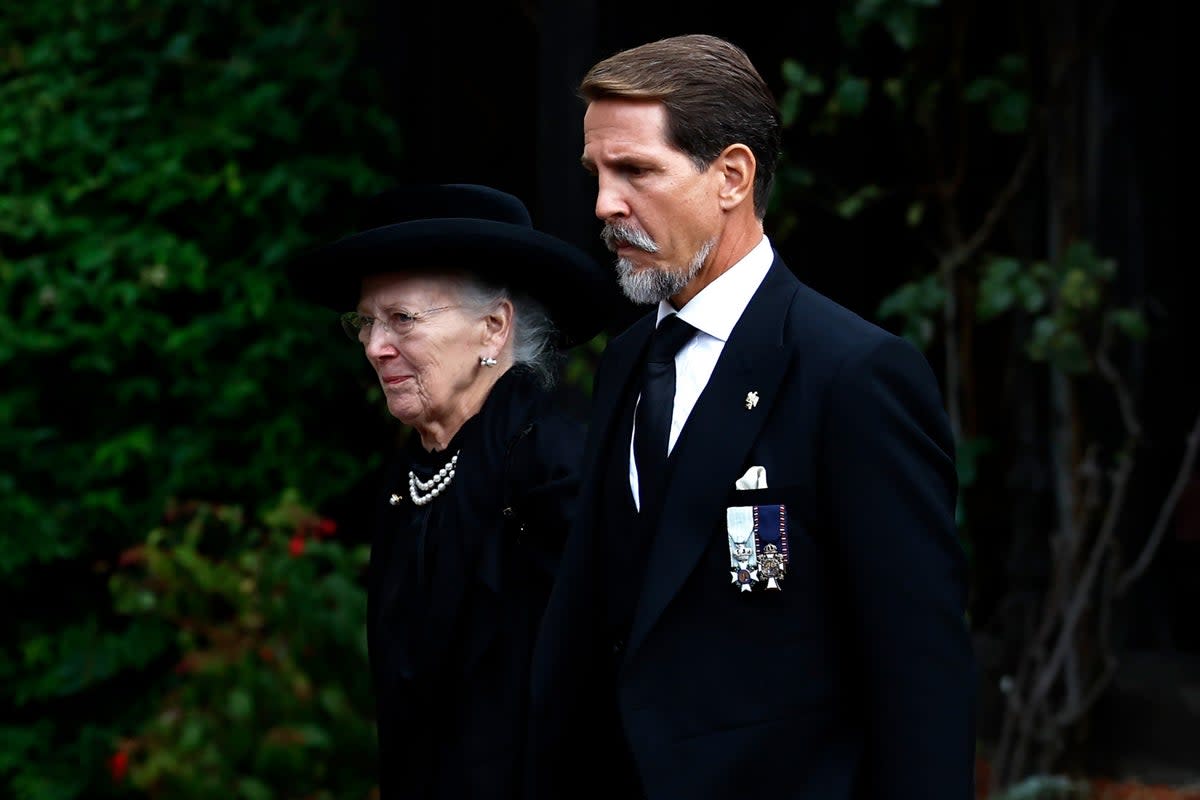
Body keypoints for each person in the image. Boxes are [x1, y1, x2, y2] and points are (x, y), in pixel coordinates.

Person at [527, 34, 977, 799]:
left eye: (635, 170)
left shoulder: (854, 375)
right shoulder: (627, 361)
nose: (605, 204)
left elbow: (920, 678)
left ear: (731, 175)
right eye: (597, 174)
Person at [286, 183, 618, 799]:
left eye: (403, 320)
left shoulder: (553, 465)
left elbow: (597, 694)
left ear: (494, 328)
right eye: (366, 320)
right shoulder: (413, 473)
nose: (374, 346)